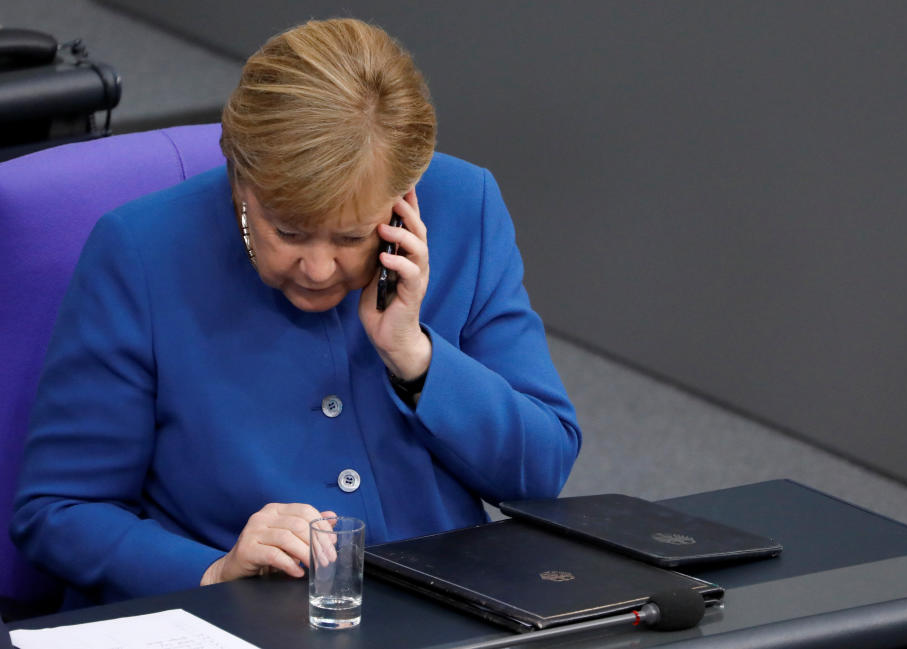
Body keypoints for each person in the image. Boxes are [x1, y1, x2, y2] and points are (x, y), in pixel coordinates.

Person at [11, 18, 581, 607]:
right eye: (287, 231)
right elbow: (59, 512)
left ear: (405, 197)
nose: (317, 269)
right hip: (235, 620)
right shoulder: (141, 252)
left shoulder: (466, 209)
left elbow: (541, 474)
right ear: (240, 180)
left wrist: (415, 355)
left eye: (351, 237)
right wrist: (214, 572)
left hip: (439, 613)